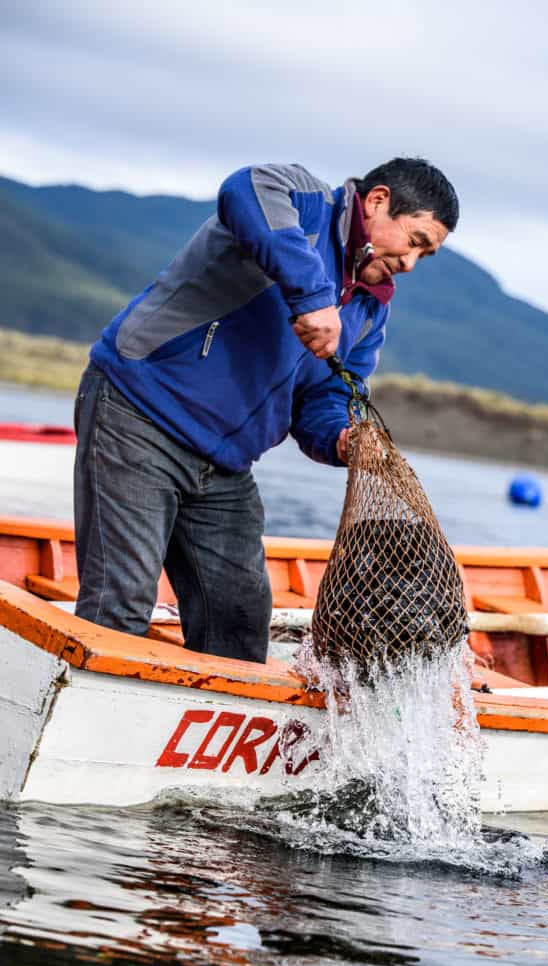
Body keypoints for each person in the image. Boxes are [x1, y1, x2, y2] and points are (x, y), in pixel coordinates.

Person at [73, 157, 459, 662]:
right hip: (140, 415)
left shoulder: (371, 309)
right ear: (379, 201)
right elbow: (244, 187)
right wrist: (315, 296)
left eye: (424, 257)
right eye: (415, 241)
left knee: (239, 626)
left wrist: (342, 438)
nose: (410, 263)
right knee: (119, 611)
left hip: (225, 466)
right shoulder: (304, 202)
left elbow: (325, 398)